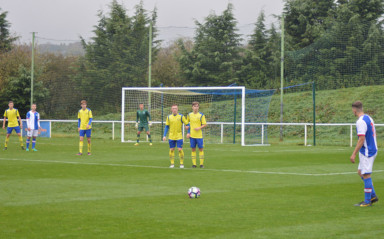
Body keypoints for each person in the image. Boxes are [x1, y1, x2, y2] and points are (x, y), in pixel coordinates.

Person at [350, 101, 378, 207]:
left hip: (367, 151)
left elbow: (361, 139)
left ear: (354, 110)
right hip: (369, 149)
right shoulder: (368, 118)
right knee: (360, 172)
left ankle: (367, 201)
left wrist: (353, 154)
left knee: (366, 174)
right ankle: (373, 195)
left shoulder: (360, 121)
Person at [163, 104, 189, 168]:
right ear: (171, 109)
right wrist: (164, 135)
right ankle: (172, 164)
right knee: (171, 149)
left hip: (179, 136)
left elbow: (187, 124)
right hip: (171, 136)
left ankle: (181, 164)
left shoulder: (181, 116)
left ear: (177, 109)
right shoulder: (169, 117)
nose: (174, 109)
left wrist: (188, 132)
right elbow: (166, 126)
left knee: (180, 149)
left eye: (176, 108)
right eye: (173, 108)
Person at [186, 101, 207, 168]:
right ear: (192, 107)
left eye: (197, 106)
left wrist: (199, 127)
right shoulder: (189, 115)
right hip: (192, 135)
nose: (196, 108)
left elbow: (204, 124)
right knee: (193, 149)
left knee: (201, 149)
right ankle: (194, 164)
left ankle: (201, 164)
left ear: (198, 107)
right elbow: (188, 124)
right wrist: (188, 131)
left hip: (199, 136)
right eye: (194, 106)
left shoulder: (201, 115)